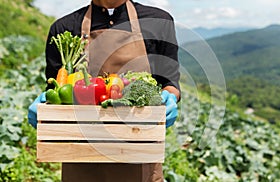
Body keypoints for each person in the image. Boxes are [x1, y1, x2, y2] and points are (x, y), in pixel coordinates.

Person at [28, 0, 180, 181]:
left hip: (141, 159)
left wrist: (170, 97)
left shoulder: (159, 22)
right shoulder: (64, 27)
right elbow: (56, 89)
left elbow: (170, 82)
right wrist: (46, 106)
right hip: (80, 160)